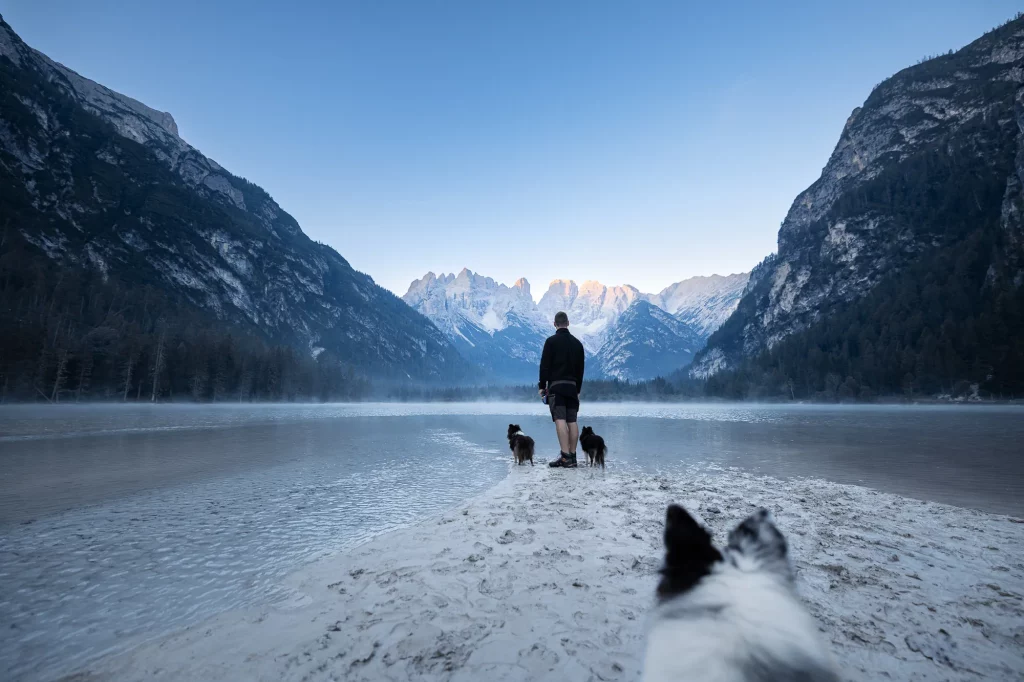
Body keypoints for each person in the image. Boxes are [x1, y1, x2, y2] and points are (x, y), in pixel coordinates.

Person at [538, 310, 585, 467]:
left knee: (560, 420)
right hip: (572, 388)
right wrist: (577, 389)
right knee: (572, 421)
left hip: (556, 387)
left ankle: (565, 457)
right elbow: (580, 370)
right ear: (568, 323)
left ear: (554, 324)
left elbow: (544, 366)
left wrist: (541, 386)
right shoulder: (578, 344)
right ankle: (572, 456)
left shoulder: (551, 342)